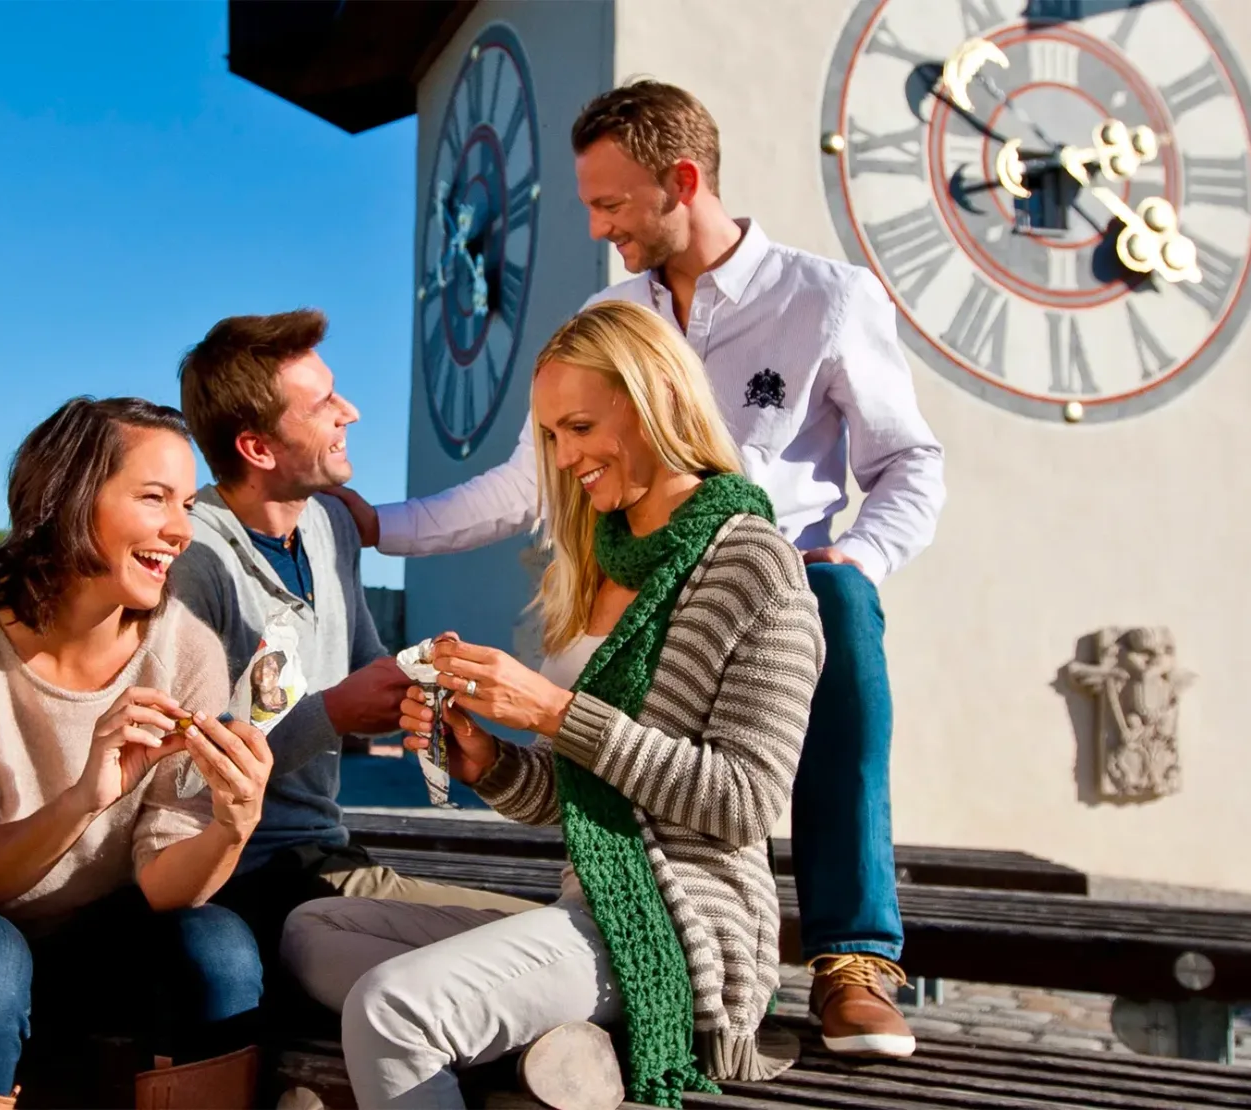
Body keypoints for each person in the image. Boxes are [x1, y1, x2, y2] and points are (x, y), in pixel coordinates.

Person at [328, 80, 945, 1058]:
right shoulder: (614, 310)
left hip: (770, 584)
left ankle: (853, 954)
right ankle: (585, 957)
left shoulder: (826, 299)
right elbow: (529, 481)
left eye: (610, 203)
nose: (595, 224)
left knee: (832, 598)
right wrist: (378, 525)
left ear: (682, 183)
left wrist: (860, 554)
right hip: (644, 585)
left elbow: (908, 459)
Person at [282, 301, 824, 1109]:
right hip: (589, 900)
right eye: (551, 438)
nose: (564, 459)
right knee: (308, 934)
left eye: (578, 428)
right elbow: (586, 798)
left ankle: (594, 1029)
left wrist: (553, 713)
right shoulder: (597, 558)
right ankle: (560, 1041)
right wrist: (489, 762)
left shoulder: (754, 567)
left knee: (392, 1009)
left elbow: (744, 802)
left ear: (656, 402)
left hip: (679, 924)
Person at [0, 397, 275, 1110]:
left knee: (218, 944)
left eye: (187, 504)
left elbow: (166, 887)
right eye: (155, 498)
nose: (180, 531)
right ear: (66, 498)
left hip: (84, 930)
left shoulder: (188, 649)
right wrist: (83, 798)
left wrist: (231, 822)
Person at [166, 309, 533, 969]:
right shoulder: (191, 559)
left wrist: (425, 675)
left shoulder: (331, 523)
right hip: (238, 878)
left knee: (544, 945)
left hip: (329, 859)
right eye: (323, 404)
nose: (351, 412)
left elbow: (364, 666)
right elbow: (187, 771)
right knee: (539, 947)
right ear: (258, 448)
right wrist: (335, 711)